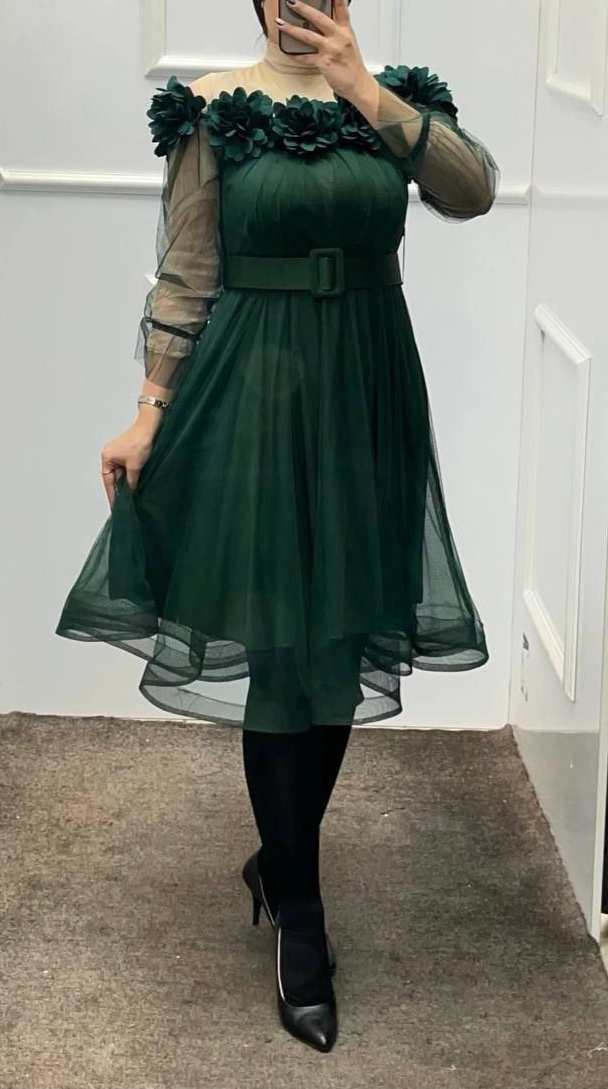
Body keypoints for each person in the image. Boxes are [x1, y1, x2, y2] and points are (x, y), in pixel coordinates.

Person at [55, 0, 499, 1053]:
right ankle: (300, 912)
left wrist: (360, 86)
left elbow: (472, 191)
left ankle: (281, 857)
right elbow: (186, 271)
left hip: (368, 395)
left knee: (340, 634)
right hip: (253, 391)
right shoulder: (213, 109)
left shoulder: (394, 101)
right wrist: (148, 410)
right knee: (277, 644)